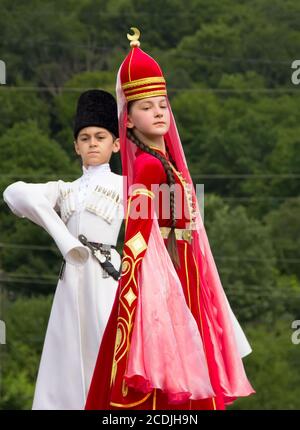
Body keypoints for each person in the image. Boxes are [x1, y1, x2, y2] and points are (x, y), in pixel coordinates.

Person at [85, 29, 255, 410]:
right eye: (146, 107)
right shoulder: (147, 166)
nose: (159, 112)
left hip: (184, 273)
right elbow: (139, 237)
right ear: (127, 120)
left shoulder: (167, 163)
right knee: (168, 379)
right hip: (166, 279)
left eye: (163, 104)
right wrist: (147, 295)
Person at [3, 89, 123, 410]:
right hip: (71, 276)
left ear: (116, 144)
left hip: (107, 275)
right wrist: (64, 238)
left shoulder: (125, 185)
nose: (92, 143)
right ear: (75, 146)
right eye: (84, 138)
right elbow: (14, 193)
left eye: (100, 136)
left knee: (106, 348)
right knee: (67, 353)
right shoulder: (64, 189)